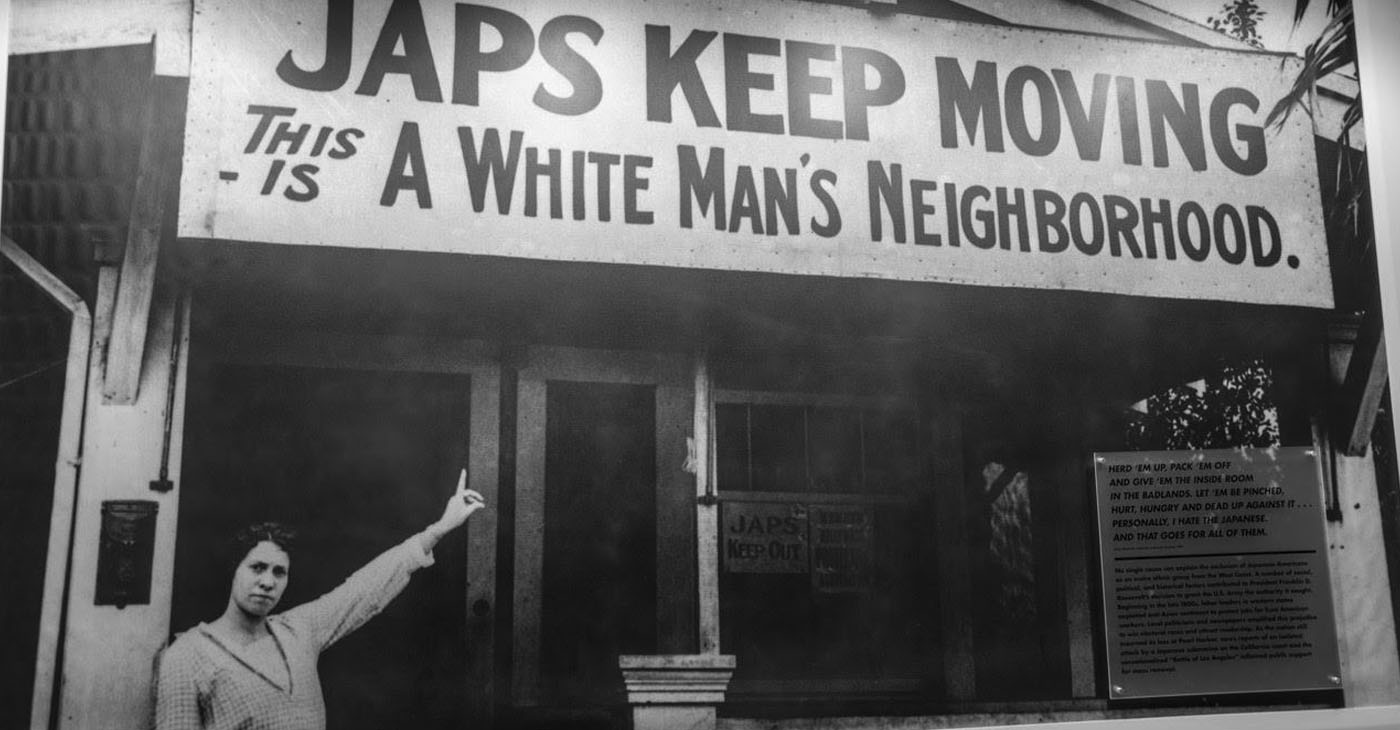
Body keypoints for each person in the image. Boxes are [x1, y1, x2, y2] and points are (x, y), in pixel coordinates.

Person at [153, 470, 486, 730]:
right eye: (257, 568)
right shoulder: (187, 655)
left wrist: (438, 529)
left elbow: (362, 591)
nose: (267, 582)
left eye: (279, 572)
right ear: (233, 570)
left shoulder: (297, 630)